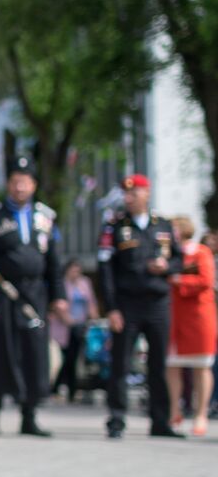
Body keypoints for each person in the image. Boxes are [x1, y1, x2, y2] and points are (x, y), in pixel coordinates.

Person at [0, 156, 66, 437]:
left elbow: (54, 261)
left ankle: (30, 416)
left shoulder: (45, 218)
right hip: (2, 295)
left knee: (33, 355)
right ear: (8, 185)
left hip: (35, 295)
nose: (20, 187)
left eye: (25, 182)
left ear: (33, 185)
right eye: (15, 182)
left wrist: (57, 296)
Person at [98, 174, 185, 439]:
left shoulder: (164, 225)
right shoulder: (114, 227)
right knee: (121, 363)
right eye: (127, 193)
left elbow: (179, 261)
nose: (130, 197)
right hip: (127, 304)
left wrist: (166, 267)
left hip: (158, 303)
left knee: (158, 364)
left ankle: (160, 421)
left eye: (135, 192)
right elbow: (106, 270)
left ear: (147, 193)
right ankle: (117, 418)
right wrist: (111, 308)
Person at [165, 216, 213, 437]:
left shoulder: (200, 252)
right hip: (174, 316)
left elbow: (206, 280)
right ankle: (174, 410)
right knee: (172, 365)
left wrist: (179, 281)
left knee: (200, 366)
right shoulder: (167, 252)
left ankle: (200, 413)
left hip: (197, 317)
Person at [51, 260, 98, 404]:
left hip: (80, 325)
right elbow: (58, 305)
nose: (75, 273)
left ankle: (68, 390)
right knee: (67, 359)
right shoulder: (62, 284)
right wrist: (68, 320)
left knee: (74, 358)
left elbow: (91, 302)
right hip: (64, 326)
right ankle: (60, 388)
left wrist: (94, 319)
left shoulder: (84, 283)